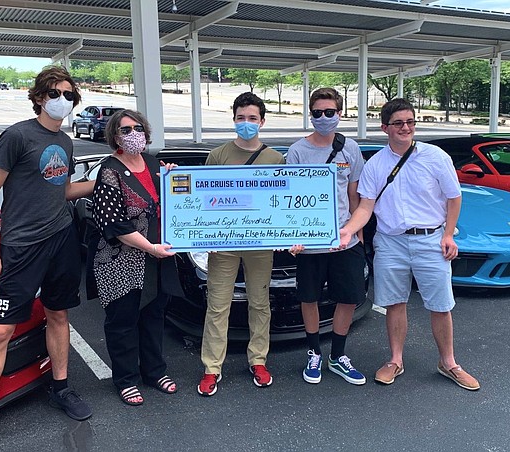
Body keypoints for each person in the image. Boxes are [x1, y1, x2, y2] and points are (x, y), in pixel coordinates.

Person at [0, 66, 94, 452]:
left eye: (70, 95)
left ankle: (60, 387)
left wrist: (106, 176)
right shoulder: (17, 136)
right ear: (41, 96)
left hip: (61, 239)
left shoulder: (65, 141)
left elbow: (59, 191)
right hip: (21, 246)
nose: (65, 100)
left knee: (59, 314)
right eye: (58, 93)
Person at [338, 98, 480, 391]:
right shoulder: (376, 164)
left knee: (441, 305)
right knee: (394, 303)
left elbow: (454, 197)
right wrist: (348, 231)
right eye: (399, 123)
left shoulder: (435, 156)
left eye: (410, 122)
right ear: (385, 128)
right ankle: (395, 360)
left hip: (430, 240)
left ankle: (449, 362)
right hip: (390, 242)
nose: (406, 128)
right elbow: (365, 207)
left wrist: (449, 234)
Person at [86, 109, 183, 406]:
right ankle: (126, 379)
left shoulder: (154, 164)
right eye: (125, 130)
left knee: (153, 318)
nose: (132, 134)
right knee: (123, 322)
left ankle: (154, 371)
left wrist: (177, 179)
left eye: (137, 128)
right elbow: (113, 225)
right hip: (121, 263)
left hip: (156, 261)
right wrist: (151, 247)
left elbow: (174, 204)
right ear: (114, 136)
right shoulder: (109, 171)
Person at [197, 92, 285, 397]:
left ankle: (258, 360)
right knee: (217, 305)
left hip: (260, 242)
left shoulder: (276, 159)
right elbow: (201, 199)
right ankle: (211, 368)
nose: (246, 123)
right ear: (233, 119)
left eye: (252, 118)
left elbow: (283, 203)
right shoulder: (218, 155)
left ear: (262, 121)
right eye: (240, 118)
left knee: (260, 303)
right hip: (224, 241)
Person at [287, 88, 366, 386]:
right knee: (309, 298)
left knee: (348, 299)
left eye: (329, 112)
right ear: (310, 114)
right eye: (317, 113)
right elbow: (290, 198)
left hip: (344, 241)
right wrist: (293, 235)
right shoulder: (297, 151)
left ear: (339, 113)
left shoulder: (351, 149)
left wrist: (357, 233)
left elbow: (354, 194)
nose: (323, 117)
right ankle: (314, 352)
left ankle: (338, 355)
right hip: (309, 244)